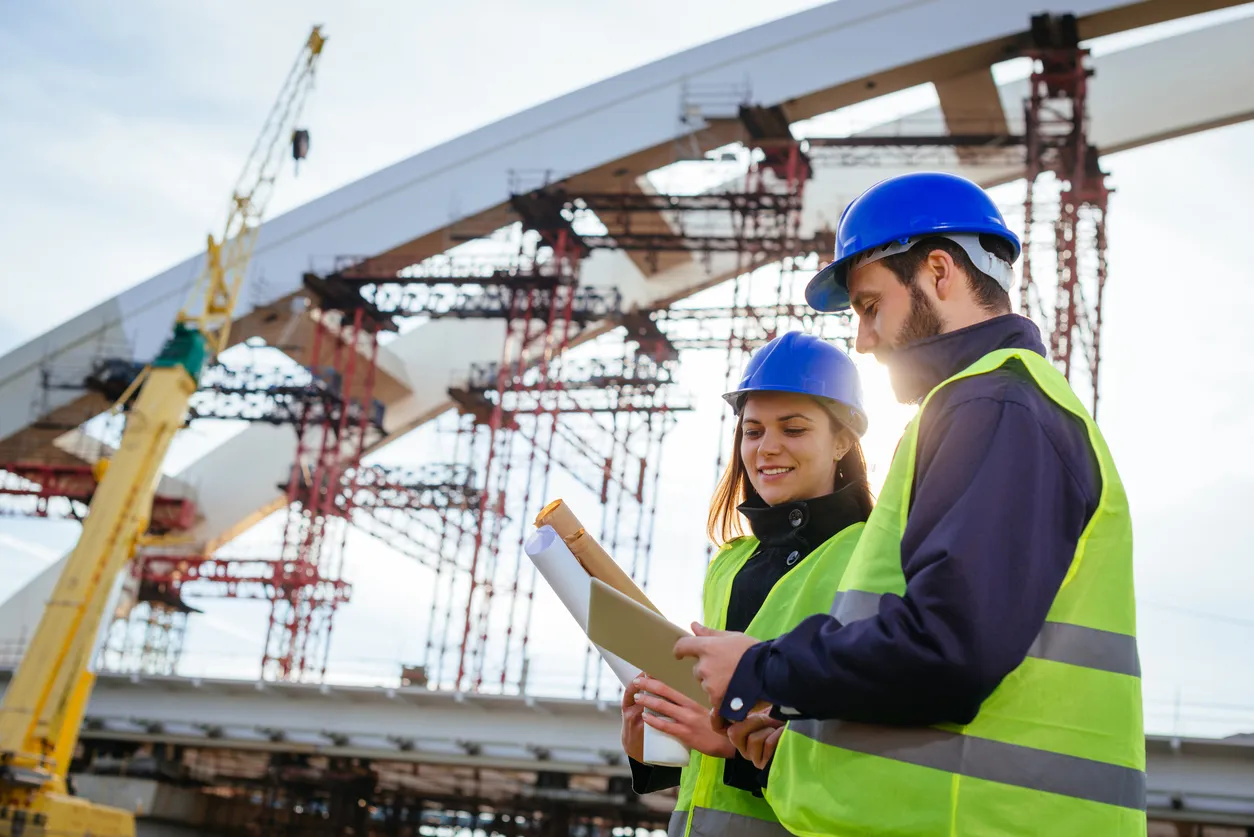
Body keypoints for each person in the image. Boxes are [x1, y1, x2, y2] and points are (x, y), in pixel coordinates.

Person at [675, 171, 1144, 836]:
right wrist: (803, 747)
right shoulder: (986, 404)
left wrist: (762, 667)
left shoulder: (995, 404)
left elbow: (948, 649)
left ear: (939, 271)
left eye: (870, 306)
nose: (862, 340)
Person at [621, 331, 873, 837]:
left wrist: (732, 745)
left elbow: (872, 740)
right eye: (752, 431)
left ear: (843, 441)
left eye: (793, 429)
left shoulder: (872, 558)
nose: (767, 448)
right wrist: (657, 740)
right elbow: (707, 739)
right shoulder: (730, 563)